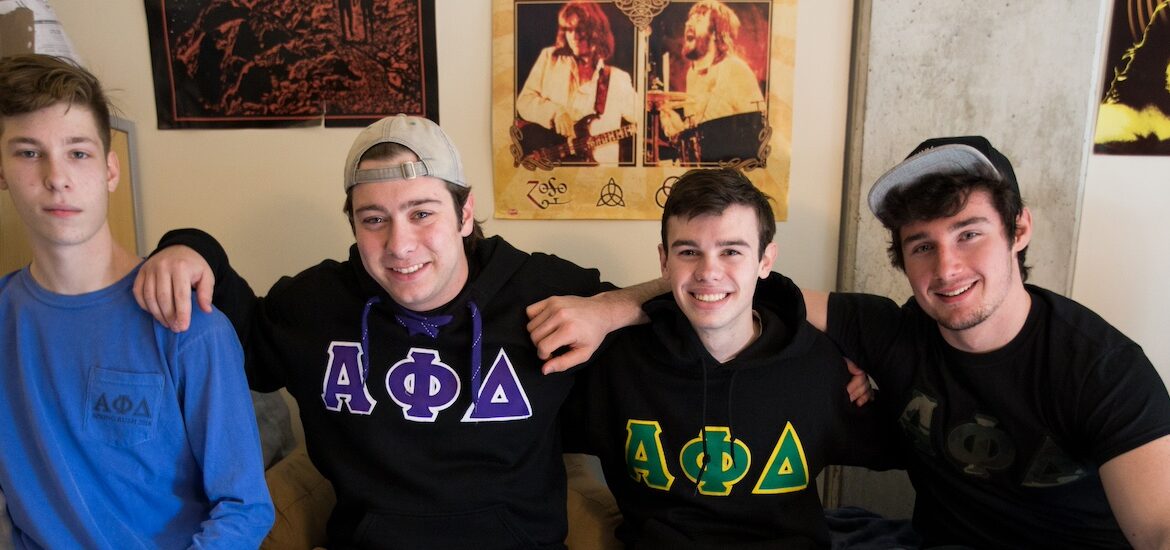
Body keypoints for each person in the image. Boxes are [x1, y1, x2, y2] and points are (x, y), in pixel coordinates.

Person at [133, 114, 663, 548]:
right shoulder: (319, 304)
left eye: (422, 213)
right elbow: (243, 344)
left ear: (465, 212)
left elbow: (698, 302)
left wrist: (614, 307)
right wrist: (191, 243)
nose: (399, 244)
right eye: (374, 219)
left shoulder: (540, 288)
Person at [802, 136, 1170, 547]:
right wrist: (829, 360)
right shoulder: (897, 333)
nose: (947, 268)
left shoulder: (1102, 368)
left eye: (968, 234)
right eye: (923, 246)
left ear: (1019, 229)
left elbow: (1159, 528)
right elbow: (757, 293)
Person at [0, 54, 273, 548]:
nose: (56, 177)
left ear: (110, 169)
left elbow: (245, 509)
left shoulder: (189, 323)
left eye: (78, 153)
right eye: (28, 152)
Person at [563, 168, 896, 547]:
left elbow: (911, 447)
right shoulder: (617, 363)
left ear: (765, 261)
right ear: (664, 261)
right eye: (689, 252)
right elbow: (524, 436)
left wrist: (874, 384)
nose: (709, 272)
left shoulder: (820, 365)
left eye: (731, 251)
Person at [516, 0, 638, 165]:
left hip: (597, 175)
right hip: (550, 167)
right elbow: (523, 102)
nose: (573, 36)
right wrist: (555, 112)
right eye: (568, 29)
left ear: (597, 31)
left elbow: (641, 115)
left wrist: (664, 110)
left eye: (580, 29)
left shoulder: (618, 78)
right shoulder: (550, 58)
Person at [656, 0, 765, 161]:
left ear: (715, 32)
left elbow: (758, 136)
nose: (688, 23)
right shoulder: (691, 74)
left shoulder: (735, 69)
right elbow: (699, 134)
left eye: (698, 19)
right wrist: (678, 129)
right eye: (689, 19)